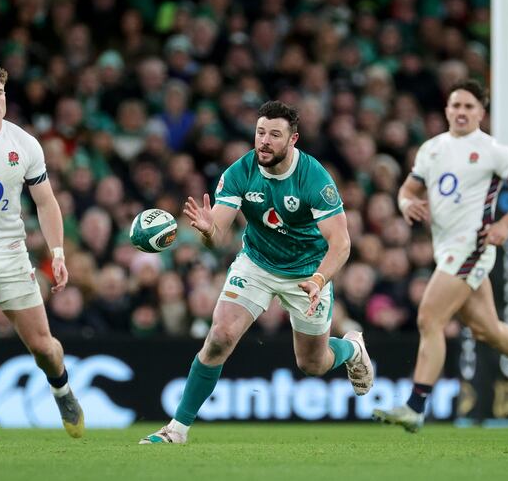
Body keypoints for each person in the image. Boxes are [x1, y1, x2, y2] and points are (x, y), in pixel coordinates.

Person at [140, 100, 374, 444]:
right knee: (219, 337)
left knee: (313, 364)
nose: (264, 141)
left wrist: (320, 279)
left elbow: (341, 243)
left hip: (308, 272)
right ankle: (176, 429)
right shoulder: (239, 172)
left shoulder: (315, 178)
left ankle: (352, 349)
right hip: (257, 263)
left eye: (274, 135)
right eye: (260, 132)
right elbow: (217, 234)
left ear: (293, 140)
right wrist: (207, 232)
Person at [373, 80, 508, 432]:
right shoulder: (432, 149)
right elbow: (407, 189)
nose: (461, 112)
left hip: (471, 247)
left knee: (428, 318)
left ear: (481, 112)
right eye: (456, 106)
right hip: (445, 247)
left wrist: (506, 224)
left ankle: (415, 405)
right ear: (447, 110)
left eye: (469, 106)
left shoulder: (493, 150)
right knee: (488, 330)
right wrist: (406, 203)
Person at [0, 65, 83, 442]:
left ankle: (61, 389)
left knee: (43, 347)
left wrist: (57, 252)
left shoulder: (25, 143)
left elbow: (46, 202)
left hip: (12, 251)